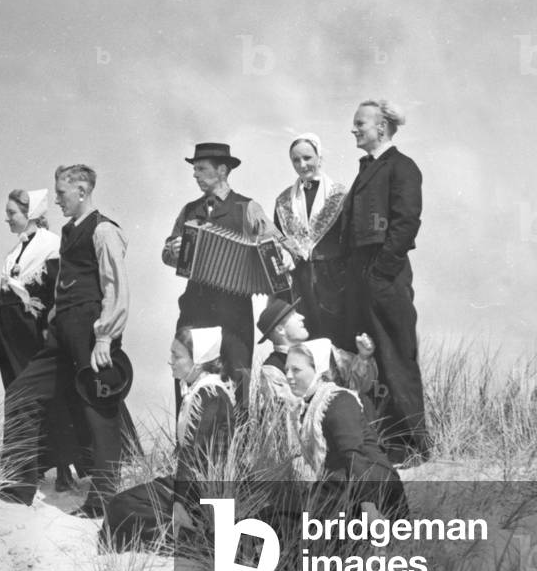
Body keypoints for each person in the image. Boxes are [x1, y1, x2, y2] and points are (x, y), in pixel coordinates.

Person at [0, 164, 137, 518]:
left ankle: (102, 500)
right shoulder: (68, 231)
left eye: (61, 192)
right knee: (21, 394)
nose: (56, 199)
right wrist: (54, 322)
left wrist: (105, 337)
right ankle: (17, 488)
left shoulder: (104, 230)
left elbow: (115, 287)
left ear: (82, 189)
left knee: (98, 409)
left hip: (92, 329)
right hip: (62, 332)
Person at [162, 142, 292, 411]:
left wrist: (278, 254)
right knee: (189, 376)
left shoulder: (248, 208)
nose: (195, 175)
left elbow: (279, 247)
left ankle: (241, 450)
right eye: (194, 169)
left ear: (222, 170)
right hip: (195, 307)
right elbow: (168, 253)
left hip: (233, 310)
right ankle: (189, 445)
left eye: (201, 169)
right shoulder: (189, 210)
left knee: (237, 377)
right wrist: (173, 250)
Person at [339, 99, 431, 466]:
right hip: (363, 276)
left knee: (395, 355)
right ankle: (381, 444)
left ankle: (411, 445)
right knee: (368, 360)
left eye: (360, 123)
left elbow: (406, 223)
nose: (354, 129)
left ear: (382, 127)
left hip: (385, 275)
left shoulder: (402, 167)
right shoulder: (366, 170)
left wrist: (379, 273)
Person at [101, 327, 235, 551]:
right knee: (120, 505)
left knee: (122, 510)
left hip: (201, 492)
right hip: (190, 484)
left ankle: (195, 541)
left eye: (177, 356)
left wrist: (180, 503)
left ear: (199, 361)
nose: (170, 361)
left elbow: (195, 455)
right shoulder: (200, 391)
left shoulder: (209, 394)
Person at [0, 189, 81, 491]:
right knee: (17, 400)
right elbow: (3, 297)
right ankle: (28, 466)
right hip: (9, 334)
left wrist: (52, 330)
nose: (7, 218)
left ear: (31, 214)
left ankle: (63, 468)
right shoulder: (13, 253)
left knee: (47, 400)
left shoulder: (51, 246)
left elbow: (58, 293)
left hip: (35, 334)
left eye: (12, 213)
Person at [283, 339, 409, 521]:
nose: (288, 375)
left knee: (294, 523)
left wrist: (370, 508)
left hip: (371, 486)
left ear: (318, 370)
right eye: (287, 369)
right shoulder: (310, 406)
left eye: (296, 370)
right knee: (283, 514)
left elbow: (353, 454)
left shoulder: (338, 401)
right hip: (340, 483)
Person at [273, 133, 352, 350]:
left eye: (307, 157)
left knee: (335, 343)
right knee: (304, 346)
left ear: (319, 157)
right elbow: (278, 241)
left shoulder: (340, 195)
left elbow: (349, 242)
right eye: (296, 160)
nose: (302, 164)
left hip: (333, 281)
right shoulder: (283, 201)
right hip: (299, 282)